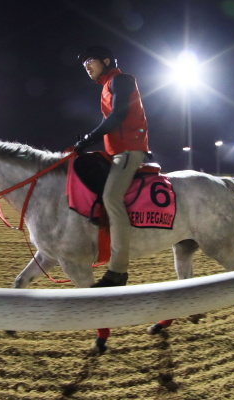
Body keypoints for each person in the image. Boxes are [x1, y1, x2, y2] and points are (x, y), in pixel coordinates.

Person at [74, 45, 150, 288]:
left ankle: (118, 271)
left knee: (111, 198)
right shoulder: (107, 85)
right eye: (84, 64)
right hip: (115, 151)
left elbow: (117, 116)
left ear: (106, 60)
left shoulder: (121, 80)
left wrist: (86, 140)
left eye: (90, 60)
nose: (86, 66)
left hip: (128, 150)